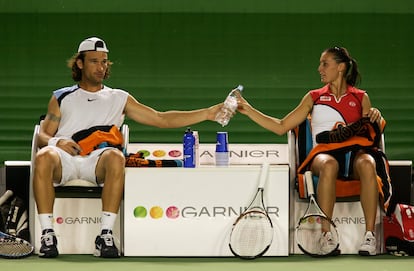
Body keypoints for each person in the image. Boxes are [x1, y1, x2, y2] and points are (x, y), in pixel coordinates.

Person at [33, 37, 223, 258]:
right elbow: (43, 136)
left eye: (104, 62)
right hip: (64, 159)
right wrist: (58, 142)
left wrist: (208, 113)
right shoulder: (61, 96)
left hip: (97, 161)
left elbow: (161, 119)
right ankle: (48, 234)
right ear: (80, 64)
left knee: (115, 156)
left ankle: (105, 235)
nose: (101, 67)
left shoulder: (119, 98)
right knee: (45, 155)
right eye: (94, 61)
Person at [237, 46, 385, 256]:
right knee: (329, 164)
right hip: (323, 156)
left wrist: (375, 115)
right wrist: (247, 109)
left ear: (340, 67)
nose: (319, 69)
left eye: (325, 64)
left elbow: (369, 132)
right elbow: (281, 126)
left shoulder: (361, 98)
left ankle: (369, 236)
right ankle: (327, 236)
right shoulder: (313, 97)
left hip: (353, 157)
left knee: (368, 163)